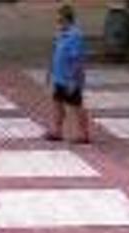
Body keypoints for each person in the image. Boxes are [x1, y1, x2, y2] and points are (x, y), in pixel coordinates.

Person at [44, 4, 90, 144]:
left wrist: (73, 80)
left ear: (67, 20)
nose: (58, 23)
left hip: (70, 78)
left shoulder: (75, 36)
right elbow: (55, 54)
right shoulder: (61, 35)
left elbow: (77, 60)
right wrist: (49, 72)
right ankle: (56, 131)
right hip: (59, 76)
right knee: (57, 103)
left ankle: (83, 134)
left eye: (60, 20)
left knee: (76, 105)